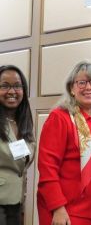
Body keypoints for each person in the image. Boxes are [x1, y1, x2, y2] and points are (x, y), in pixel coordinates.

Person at [37, 61, 91, 225]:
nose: (88, 87)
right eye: (81, 82)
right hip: (68, 212)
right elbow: (47, 168)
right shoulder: (60, 117)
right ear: (71, 89)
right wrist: (58, 207)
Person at [0, 65, 35, 225]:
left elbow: (21, 165)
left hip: (16, 204)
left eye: (17, 86)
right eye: (5, 86)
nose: (12, 91)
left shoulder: (23, 123)